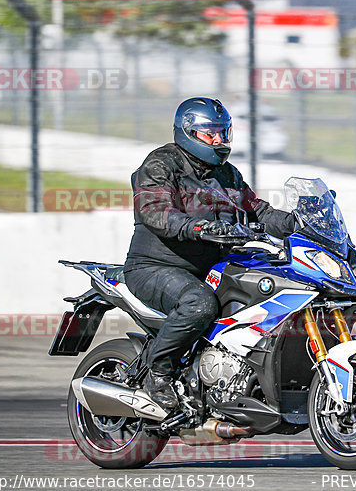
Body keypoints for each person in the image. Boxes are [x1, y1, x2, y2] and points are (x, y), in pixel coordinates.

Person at [123, 97, 297, 408]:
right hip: (155, 267)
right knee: (199, 304)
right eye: (210, 133)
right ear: (188, 131)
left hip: (211, 267)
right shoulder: (161, 164)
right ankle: (157, 375)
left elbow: (257, 210)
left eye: (223, 132)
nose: (219, 140)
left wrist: (296, 222)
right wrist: (198, 228)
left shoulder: (227, 174)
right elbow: (155, 211)